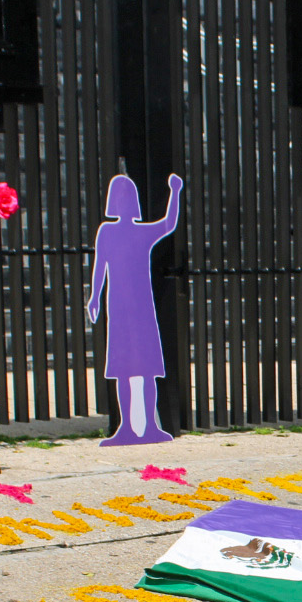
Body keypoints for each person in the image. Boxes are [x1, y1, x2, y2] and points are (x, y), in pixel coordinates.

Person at [88, 172, 182, 445]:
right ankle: (127, 428)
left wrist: (175, 192)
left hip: (141, 306)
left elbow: (168, 224)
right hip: (119, 305)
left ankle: (150, 427)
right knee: (123, 369)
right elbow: (100, 267)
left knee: (148, 367)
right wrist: (94, 296)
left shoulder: (141, 231)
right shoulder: (107, 231)